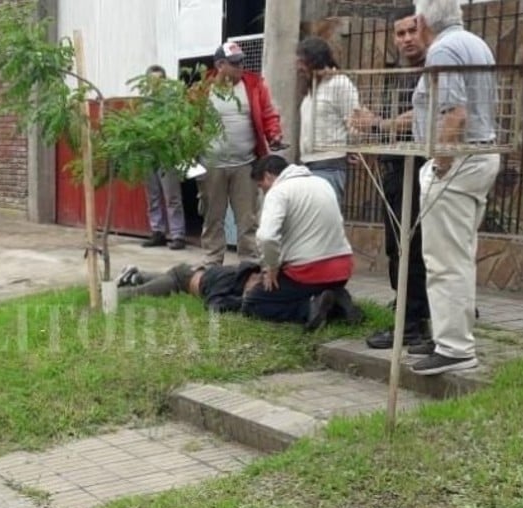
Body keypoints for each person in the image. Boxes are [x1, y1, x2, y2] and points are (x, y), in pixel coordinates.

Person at [409, 0, 501, 375]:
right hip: (480, 155)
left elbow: (455, 113)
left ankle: (455, 347)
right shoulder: (474, 42)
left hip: (459, 160)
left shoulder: (443, 49)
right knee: (458, 256)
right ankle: (451, 334)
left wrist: (440, 164)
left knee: (444, 260)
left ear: (422, 19)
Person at [351, 5, 433, 350]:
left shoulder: (432, 69)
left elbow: (418, 117)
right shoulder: (399, 73)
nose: (406, 39)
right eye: (400, 33)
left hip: (419, 169)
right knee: (396, 247)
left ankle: (413, 323)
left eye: (412, 31)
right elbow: (389, 123)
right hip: (395, 168)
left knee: (411, 247)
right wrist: (372, 134)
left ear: (425, 31)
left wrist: (377, 124)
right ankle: (409, 309)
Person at [245, 154, 360, 331]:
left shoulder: (279, 191)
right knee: (293, 290)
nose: (263, 192)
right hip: (342, 268)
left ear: (268, 176)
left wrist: (272, 267)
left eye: (261, 186)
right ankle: (337, 298)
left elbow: (267, 237)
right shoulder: (322, 183)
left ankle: (311, 308)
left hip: (309, 272)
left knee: (254, 303)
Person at [199, 41, 282, 266]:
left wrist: (274, 134)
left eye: (242, 61)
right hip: (212, 165)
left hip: (246, 164)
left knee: (247, 218)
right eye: (235, 63)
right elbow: (189, 123)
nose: (240, 66)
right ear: (220, 65)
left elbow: (268, 114)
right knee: (213, 216)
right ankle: (212, 264)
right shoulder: (202, 89)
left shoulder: (254, 85)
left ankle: (249, 263)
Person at [295, 37, 359, 205]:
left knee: (324, 221)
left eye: (303, 62)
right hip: (308, 164)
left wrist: (351, 147)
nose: (299, 67)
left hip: (329, 165)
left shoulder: (339, 83)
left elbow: (354, 121)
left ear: (315, 60)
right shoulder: (312, 88)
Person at [141, 65, 186, 250]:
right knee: (152, 195)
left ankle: (177, 235)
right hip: (149, 154)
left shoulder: (172, 103)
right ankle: (157, 231)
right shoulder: (144, 103)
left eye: (159, 79)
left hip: (167, 154)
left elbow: (179, 127)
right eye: (152, 80)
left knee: (172, 196)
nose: (156, 83)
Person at [116, 261, 262, 314]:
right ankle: (108, 294)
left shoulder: (247, 274)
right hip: (181, 279)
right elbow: (213, 305)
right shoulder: (229, 278)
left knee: (154, 280)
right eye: (254, 286)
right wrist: (241, 301)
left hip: (186, 276)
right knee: (138, 293)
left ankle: (135, 275)